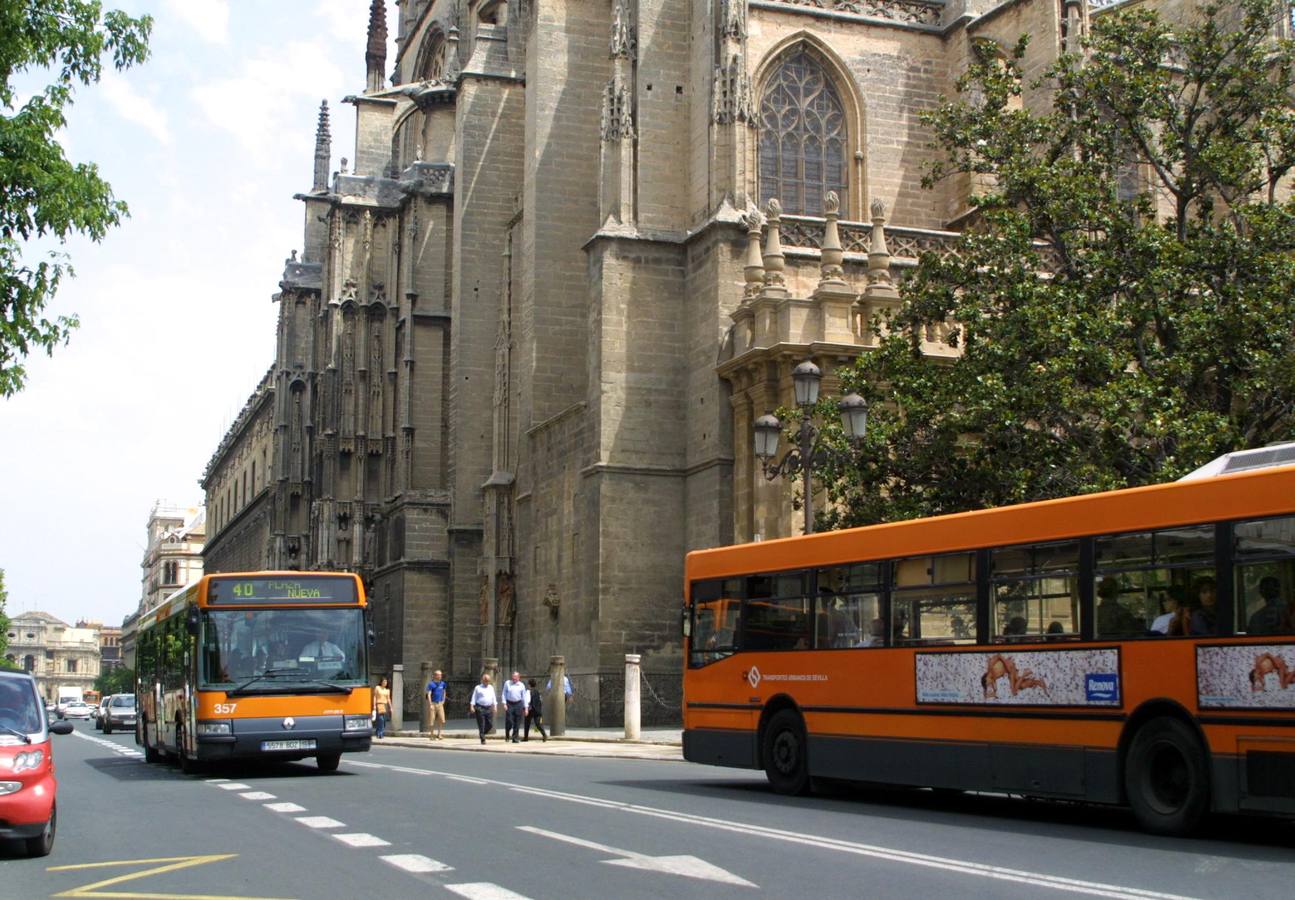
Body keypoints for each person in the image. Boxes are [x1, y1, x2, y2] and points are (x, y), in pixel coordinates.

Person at [469, 673, 498, 744]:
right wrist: (472, 706)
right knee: (481, 724)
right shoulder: (478, 688)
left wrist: (495, 706)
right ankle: (483, 739)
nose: (487, 682)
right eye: (486, 680)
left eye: (488, 680)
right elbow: (474, 697)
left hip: (488, 708)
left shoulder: (491, 687)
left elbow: (493, 697)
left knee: (490, 724)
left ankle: (482, 733)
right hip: (480, 708)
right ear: (482, 680)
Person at [501, 671, 527, 743]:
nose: (514, 679)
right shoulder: (507, 683)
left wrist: (526, 708)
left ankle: (515, 738)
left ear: (519, 678)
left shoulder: (521, 685)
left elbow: (524, 697)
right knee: (509, 720)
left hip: (518, 704)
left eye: (515, 678)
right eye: (513, 677)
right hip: (509, 704)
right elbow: (504, 693)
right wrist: (504, 704)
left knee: (517, 721)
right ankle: (507, 733)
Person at [425, 669, 447, 741]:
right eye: (438, 675)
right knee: (432, 720)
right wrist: (430, 704)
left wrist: (443, 700)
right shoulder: (431, 684)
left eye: (441, 675)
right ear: (435, 676)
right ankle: (431, 735)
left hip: (440, 703)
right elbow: (429, 694)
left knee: (442, 720)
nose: (440, 676)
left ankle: (439, 734)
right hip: (433, 704)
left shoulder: (443, 684)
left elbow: (444, 692)